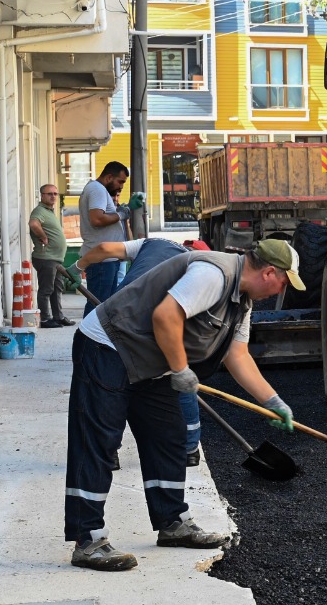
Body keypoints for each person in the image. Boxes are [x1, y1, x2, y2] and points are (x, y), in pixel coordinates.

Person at [65, 236, 300, 570]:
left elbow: (238, 355)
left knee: (169, 438)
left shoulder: (241, 302)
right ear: (270, 273)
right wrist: (181, 368)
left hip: (152, 361)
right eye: (284, 283)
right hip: (110, 346)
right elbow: (166, 316)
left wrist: (272, 400)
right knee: (98, 442)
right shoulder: (213, 275)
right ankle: (87, 539)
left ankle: (172, 524)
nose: (281, 291)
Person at [76, 235, 213, 464]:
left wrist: (77, 267)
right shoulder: (201, 271)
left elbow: (103, 246)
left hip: (123, 315)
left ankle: (108, 453)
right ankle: (189, 450)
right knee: (180, 378)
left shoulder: (151, 244)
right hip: (167, 319)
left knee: (114, 385)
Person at [79, 162, 129, 304]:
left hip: (106, 258)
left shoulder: (98, 189)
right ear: (108, 177)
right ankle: (86, 328)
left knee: (103, 305)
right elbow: (97, 219)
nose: (121, 186)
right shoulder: (97, 190)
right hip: (101, 260)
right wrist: (121, 215)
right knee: (97, 305)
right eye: (120, 181)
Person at [28, 183, 69, 326]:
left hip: (55, 258)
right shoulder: (39, 211)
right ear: (42, 195)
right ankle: (45, 319)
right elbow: (33, 224)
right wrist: (43, 236)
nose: (53, 196)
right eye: (49, 194)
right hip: (46, 258)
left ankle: (58, 317)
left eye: (55, 194)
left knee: (57, 288)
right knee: (46, 290)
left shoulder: (50, 211)